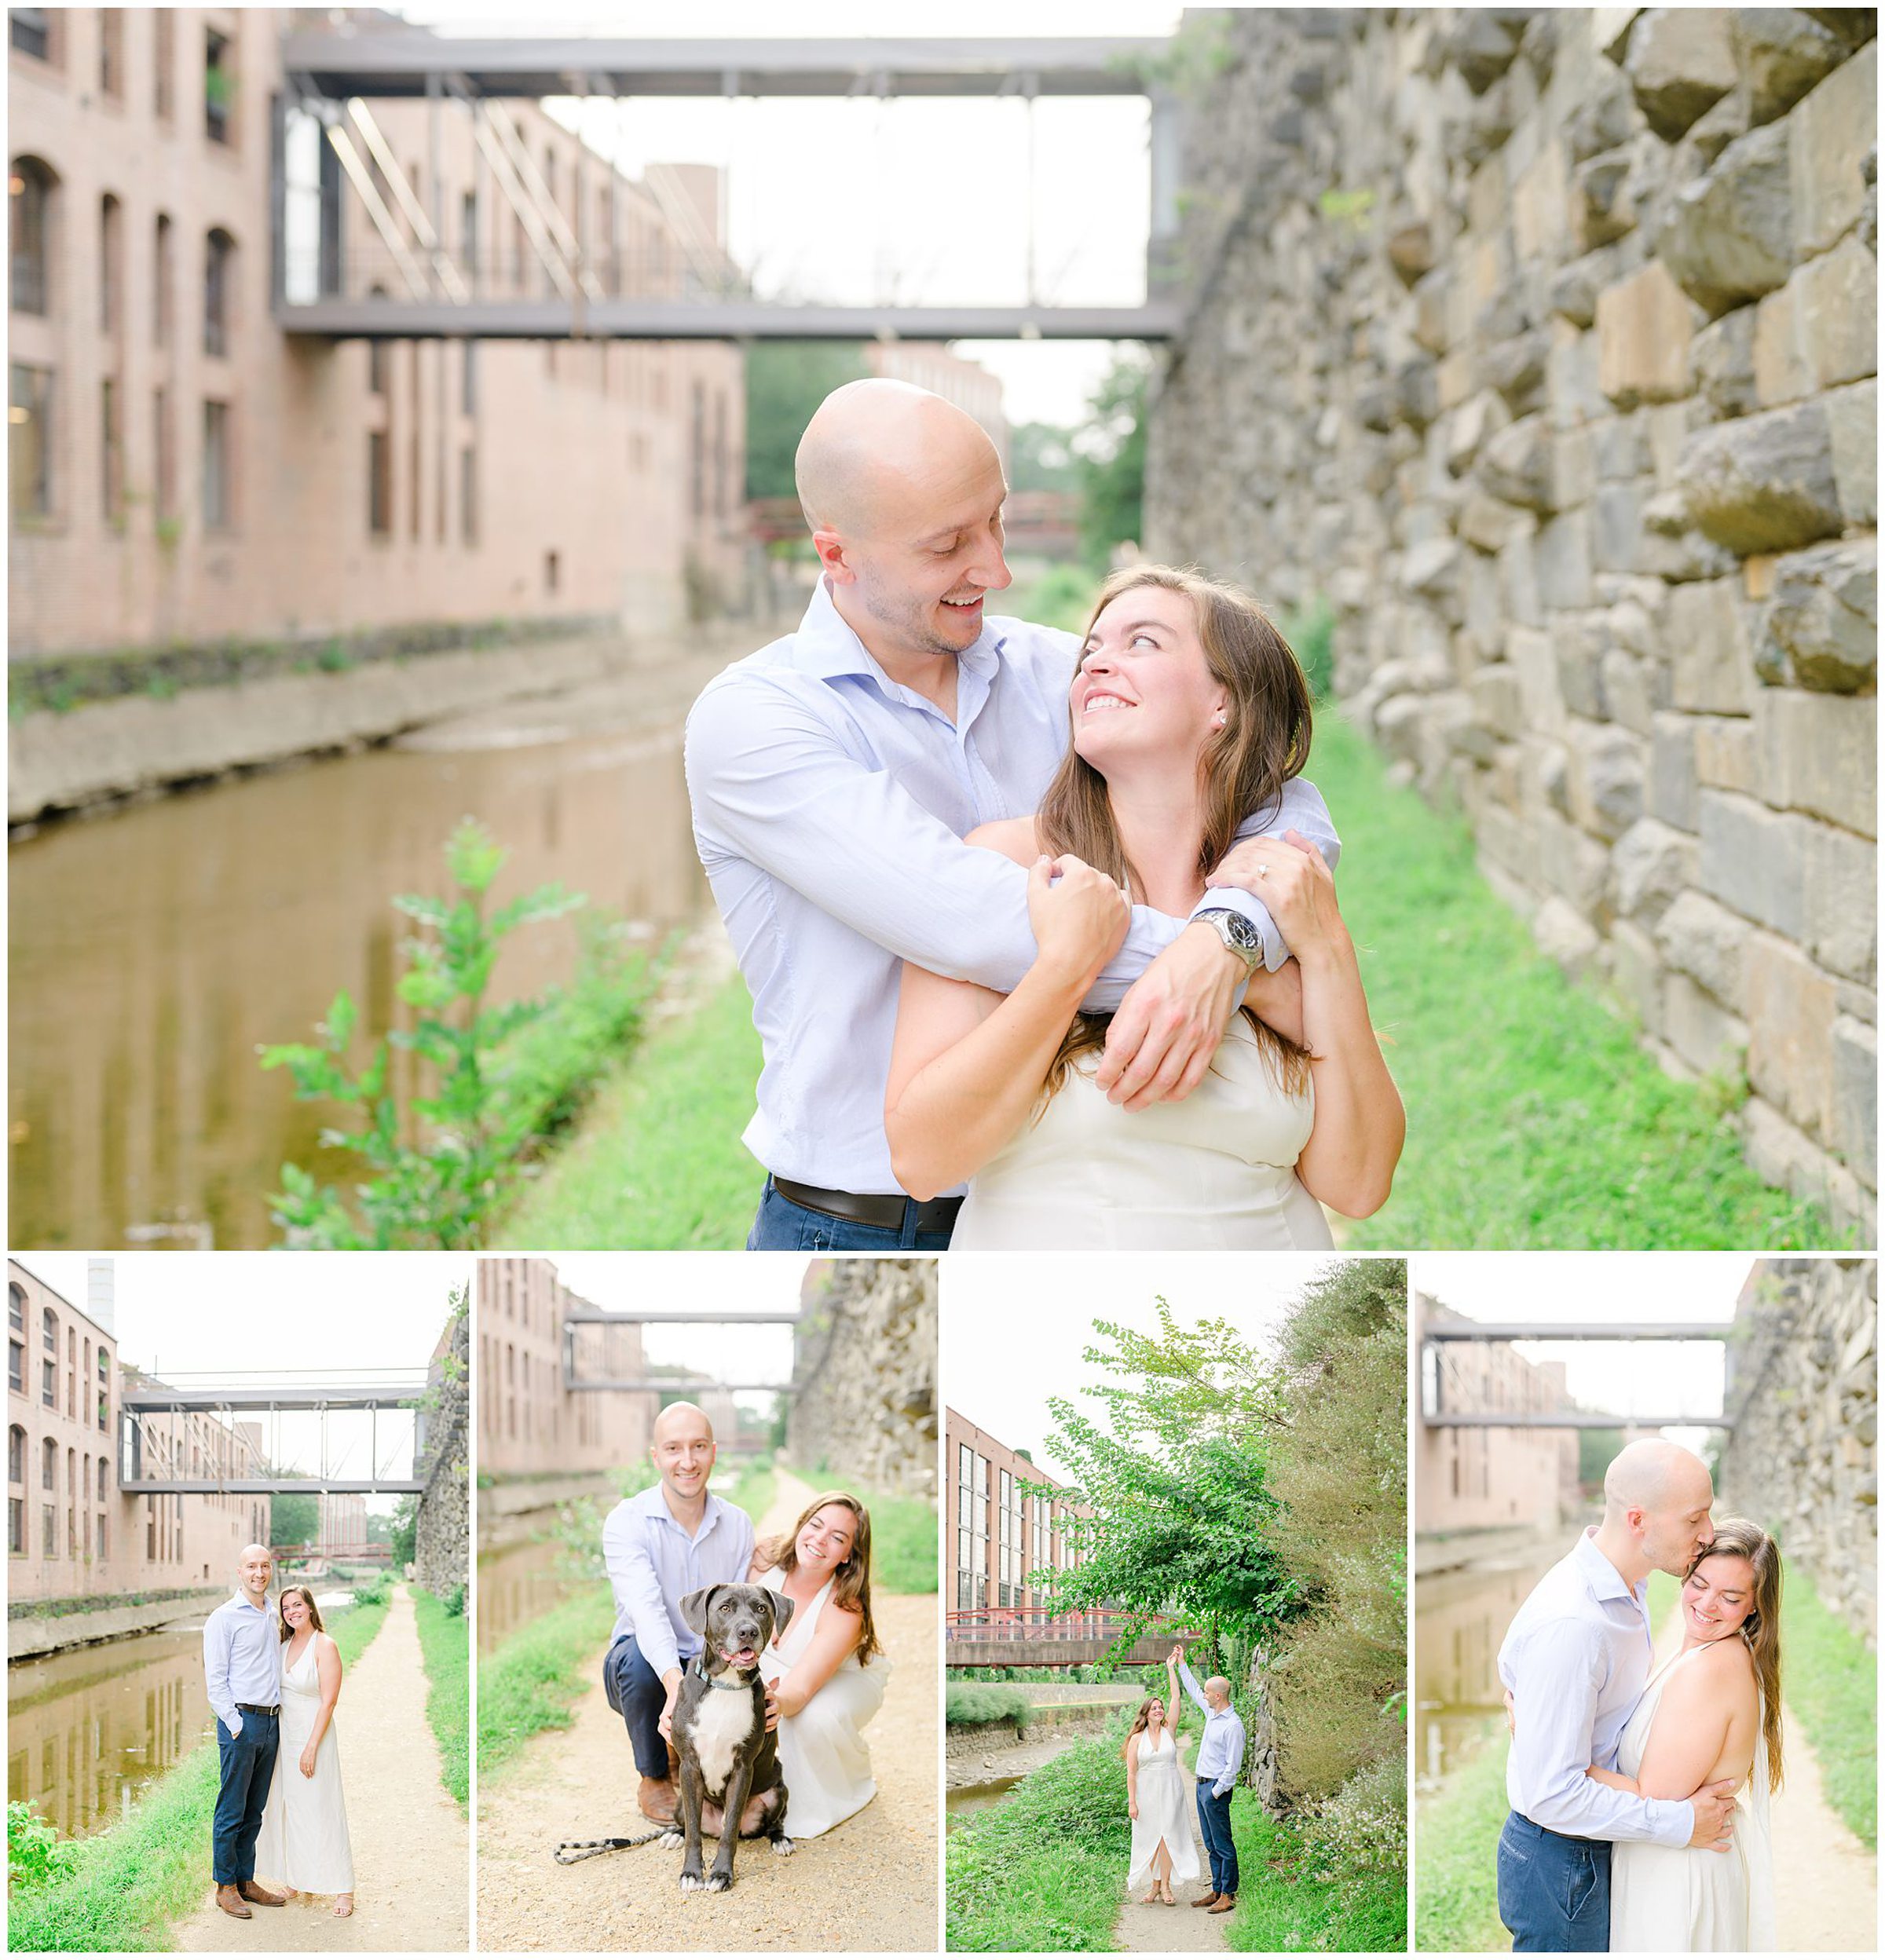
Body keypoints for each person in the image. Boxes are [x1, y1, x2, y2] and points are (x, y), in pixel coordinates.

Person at [686, 378, 1338, 1252]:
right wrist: (1241, 974)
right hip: (871, 1224)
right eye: (949, 545)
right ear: (836, 554)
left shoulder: (1062, 673)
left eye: (994, 521)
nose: (995, 569)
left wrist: (1228, 939)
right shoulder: (757, 723)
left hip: (1059, 1194)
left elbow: (1281, 801)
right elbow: (975, 917)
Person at [884, 565, 1404, 1246]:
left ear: (1226, 704)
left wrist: (1328, 950)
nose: (1096, 665)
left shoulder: (1274, 900)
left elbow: (1358, 1184)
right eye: (1091, 651)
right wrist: (1065, 968)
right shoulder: (1009, 869)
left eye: (1143, 643)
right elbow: (923, 1160)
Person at [1496, 1440, 1744, 1953]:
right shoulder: (1575, 1624)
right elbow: (1552, 1793)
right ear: (1638, 1520)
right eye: (1695, 1519)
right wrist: (1679, 1821)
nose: (1709, 1534)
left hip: (1597, 1842)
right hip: (1565, 1861)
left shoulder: (1629, 1588)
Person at [1591, 1520, 1781, 1951]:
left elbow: (1655, 1796)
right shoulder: (1698, 1653)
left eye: (1731, 1598)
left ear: (1754, 1607)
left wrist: (1557, 1755)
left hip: (1679, 1876)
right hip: (1671, 1860)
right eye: (1699, 1584)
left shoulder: (1710, 1668)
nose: (1707, 1605)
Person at [601, 1402, 763, 1823]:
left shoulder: (739, 1523)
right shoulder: (627, 1521)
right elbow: (647, 1612)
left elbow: (743, 1614)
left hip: (712, 1660)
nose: (687, 1461)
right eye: (673, 1449)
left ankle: (703, 1760)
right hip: (645, 1665)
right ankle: (656, 1773)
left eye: (698, 1447)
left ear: (714, 1451)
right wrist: (677, 1686)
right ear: (656, 1457)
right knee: (639, 1660)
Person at [748, 1491, 888, 1838]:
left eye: (837, 1538)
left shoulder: (846, 1607)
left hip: (842, 1676)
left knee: (810, 1717)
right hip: (771, 1668)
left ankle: (847, 1784)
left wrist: (778, 1703)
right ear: (802, 1524)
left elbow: (801, 1687)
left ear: (847, 1556)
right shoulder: (764, 1557)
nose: (820, 1541)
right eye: (816, 1525)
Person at [255, 1585, 356, 1915]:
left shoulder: (324, 1646)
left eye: (298, 1605)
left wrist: (312, 1747)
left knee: (322, 1808)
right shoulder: (283, 1646)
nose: (292, 1611)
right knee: (291, 1810)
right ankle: (296, 1877)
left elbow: (329, 1702)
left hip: (315, 1737)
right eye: (286, 1608)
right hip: (286, 1738)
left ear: (310, 1608)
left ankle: (343, 1888)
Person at [203, 1544, 287, 1921]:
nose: (259, 1572)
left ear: (271, 1570)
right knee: (231, 1809)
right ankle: (226, 1887)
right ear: (239, 1572)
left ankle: (246, 1880)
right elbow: (215, 1681)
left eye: (265, 1565)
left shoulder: (273, 1614)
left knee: (255, 1809)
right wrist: (236, 1726)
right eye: (251, 1566)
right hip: (241, 1723)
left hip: (271, 1722)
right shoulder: (223, 1618)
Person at [1171, 1643, 1246, 1914]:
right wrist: (1182, 1664)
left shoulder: (1232, 1725)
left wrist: (1216, 1791)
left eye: (1207, 1692)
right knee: (1210, 1843)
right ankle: (1216, 1889)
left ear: (1217, 1695)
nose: (1202, 1695)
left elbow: (1233, 1766)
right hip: (1201, 1785)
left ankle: (1228, 1893)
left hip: (1214, 1788)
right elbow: (1192, 1690)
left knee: (1223, 1843)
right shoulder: (1212, 1714)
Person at [1126, 1652, 1198, 1907]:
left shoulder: (1170, 1730)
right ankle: (1154, 1886)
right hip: (1146, 1792)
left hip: (1170, 1788)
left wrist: (1171, 1668)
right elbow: (1131, 1773)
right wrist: (1132, 1803)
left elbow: (1176, 1697)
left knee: (1168, 1836)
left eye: (1160, 1707)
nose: (1159, 1709)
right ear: (1146, 1714)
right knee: (1152, 1838)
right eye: (1154, 1708)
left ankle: (1165, 1885)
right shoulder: (1136, 1739)